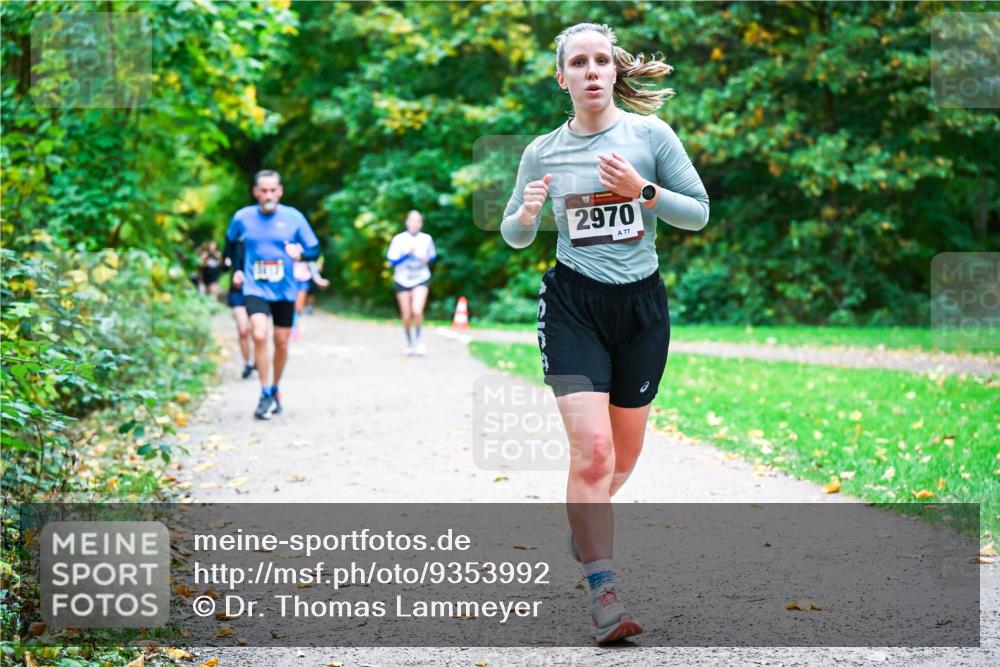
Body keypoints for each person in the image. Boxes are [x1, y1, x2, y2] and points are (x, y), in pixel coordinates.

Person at [499, 22, 710, 644]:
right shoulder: (542, 151)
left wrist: (641, 191)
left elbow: (697, 213)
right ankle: (604, 594)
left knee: (623, 457)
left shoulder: (650, 136)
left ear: (615, 71)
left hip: (641, 307)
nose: (591, 71)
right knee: (592, 453)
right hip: (573, 304)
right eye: (578, 63)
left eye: (600, 61)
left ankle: (585, 523)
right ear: (561, 77)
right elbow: (514, 232)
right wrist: (528, 215)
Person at [225, 170, 320, 419]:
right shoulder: (243, 218)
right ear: (256, 192)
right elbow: (231, 241)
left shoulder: (294, 218)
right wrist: (236, 269)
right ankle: (265, 391)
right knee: (258, 333)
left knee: (280, 342)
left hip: (285, 289)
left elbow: (314, 249)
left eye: (273, 190)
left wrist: (301, 254)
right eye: (263, 190)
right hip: (255, 287)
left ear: (280, 191)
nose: (268, 195)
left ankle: (276, 387)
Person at [386, 210, 436, 356]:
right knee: (407, 314)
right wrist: (407, 254)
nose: (415, 223)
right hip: (402, 280)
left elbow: (432, 257)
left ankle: (419, 341)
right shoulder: (399, 239)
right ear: (407, 222)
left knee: (417, 310)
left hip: (421, 278)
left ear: (421, 223)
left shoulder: (426, 238)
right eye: (412, 220)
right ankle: (408, 341)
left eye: (418, 220)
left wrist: (425, 258)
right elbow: (392, 262)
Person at [223, 234, 255, 379]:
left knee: (257, 331)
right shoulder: (232, 242)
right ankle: (247, 362)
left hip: (257, 291)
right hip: (238, 291)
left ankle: (257, 359)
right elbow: (223, 265)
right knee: (243, 329)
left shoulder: (260, 241)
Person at [291, 257, 329, 340]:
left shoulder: (305, 246)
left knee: (299, 306)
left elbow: (311, 264)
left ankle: (295, 326)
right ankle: (292, 325)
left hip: (303, 280)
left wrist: (318, 279)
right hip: (289, 279)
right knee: (290, 304)